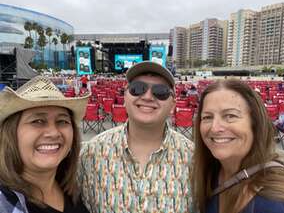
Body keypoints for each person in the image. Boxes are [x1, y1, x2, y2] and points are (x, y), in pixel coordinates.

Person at [79, 61, 194, 213]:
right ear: (125, 96)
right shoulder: (91, 153)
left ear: (173, 105)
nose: (147, 96)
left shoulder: (194, 158)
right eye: (137, 89)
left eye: (160, 92)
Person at [191, 79, 284, 213]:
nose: (215, 128)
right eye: (207, 117)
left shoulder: (281, 205)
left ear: (255, 124)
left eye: (230, 116)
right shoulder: (210, 174)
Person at [0, 76, 90, 213]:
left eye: (62, 121)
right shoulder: (5, 203)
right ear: (11, 133)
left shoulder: (77, 186)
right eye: (37, 121)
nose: (53, 133)